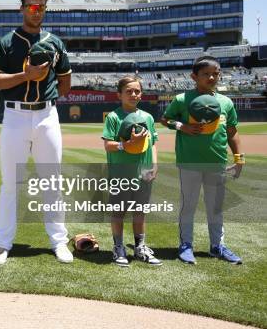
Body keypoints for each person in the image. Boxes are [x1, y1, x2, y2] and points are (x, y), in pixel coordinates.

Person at [0, 0, 73, 265]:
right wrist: (26, 76)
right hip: (15, 115)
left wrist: (45, 98)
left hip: (47, 116)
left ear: (45, 9)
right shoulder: (7, 41)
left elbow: (65, 83)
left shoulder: (55, 42)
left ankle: (59, 241)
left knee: (53, 181)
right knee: (10, 183)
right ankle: (2, 243)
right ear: (22, 8)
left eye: (41, 7)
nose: (36, 11)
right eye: (31, 6)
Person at [161, 56, 244, 265]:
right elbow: (165, 119)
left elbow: (232, 132)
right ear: (194, 77)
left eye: (215, 73)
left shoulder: (226, 102)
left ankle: (217, 246)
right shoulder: (182, 99)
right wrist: (183, 127)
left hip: (217, 163)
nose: (211, 77)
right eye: (206, 74)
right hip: (189, 162)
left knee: (215, 208)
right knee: (188, 206)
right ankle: (186, 245)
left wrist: (239, 157)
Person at [102, 76, 161, 267]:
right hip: (121, 175)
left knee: (140, 212)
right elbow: (108, 145)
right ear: (119, 94)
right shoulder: (113, 117)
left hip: (143, 174)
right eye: (129, 91)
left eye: (137, 91)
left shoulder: (148, 118)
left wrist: (154, 164)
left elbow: (152, 144)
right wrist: (126, 145)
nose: (134, 94)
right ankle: (118, 247)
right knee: (118, 213)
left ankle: (140, 247)